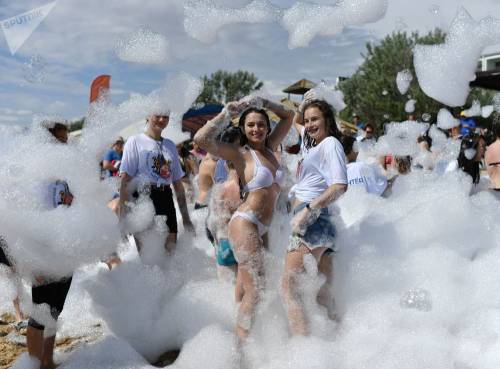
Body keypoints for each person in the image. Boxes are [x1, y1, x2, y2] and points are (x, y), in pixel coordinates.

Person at [194, 97, 294, 339]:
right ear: (243, 129)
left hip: (264, 226)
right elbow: (200, 140)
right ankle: (239, 350)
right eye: (250, 125)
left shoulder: (271, 148)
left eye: (260, 124)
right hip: (245, 222)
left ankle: (245, 334)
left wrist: (265, 102)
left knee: (249, 283)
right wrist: (225, 114)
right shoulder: (240, 154)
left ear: (268, 128)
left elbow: (290, 116)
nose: (256, 129)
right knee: (256, 289)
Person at [283, 99, 347, 336]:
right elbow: (297, 121)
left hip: (312, 220)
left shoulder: (330, 143)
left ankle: (302, 353)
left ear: (327, 121)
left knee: (291, 289)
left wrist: (308, 211)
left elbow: (340, 185)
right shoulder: (312, 145)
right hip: (323, 221)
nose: (309, 124)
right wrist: (306, 105)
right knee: (322, 293)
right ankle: (334, 345)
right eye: (308, 120)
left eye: (315, 119)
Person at [27, 121, 73, 369]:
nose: (63, 147)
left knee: (54, 311)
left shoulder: (66, 174)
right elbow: (29, 222)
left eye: (66, 142)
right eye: (59, 142)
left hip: (65, 250)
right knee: (39, 314)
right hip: (44, 253)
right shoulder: (37, 177)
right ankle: (32, 365)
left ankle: (47, 360)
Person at [118, 114, 194, 252]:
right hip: (142, 198)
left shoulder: (170, 145)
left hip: (166, 197)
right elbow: (125, 179)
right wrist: (123, 213)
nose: (161, 120)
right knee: (148, 256)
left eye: (165, 117)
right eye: (157, 116)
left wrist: (186, 218)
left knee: (170, 253)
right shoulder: (135, 141)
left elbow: (177, 184)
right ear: (148, 116)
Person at [205, 126, 243, 281]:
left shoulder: (221, 162)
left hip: (219, 227)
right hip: (230, 231)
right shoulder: (232, 163)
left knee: (228, 285)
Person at [0, 236, 25, 325]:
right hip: (5, 266)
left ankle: (19, 315)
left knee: (14, 289)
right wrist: (10, 264)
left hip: (7, 264)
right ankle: (19, 316)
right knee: (14, 290)